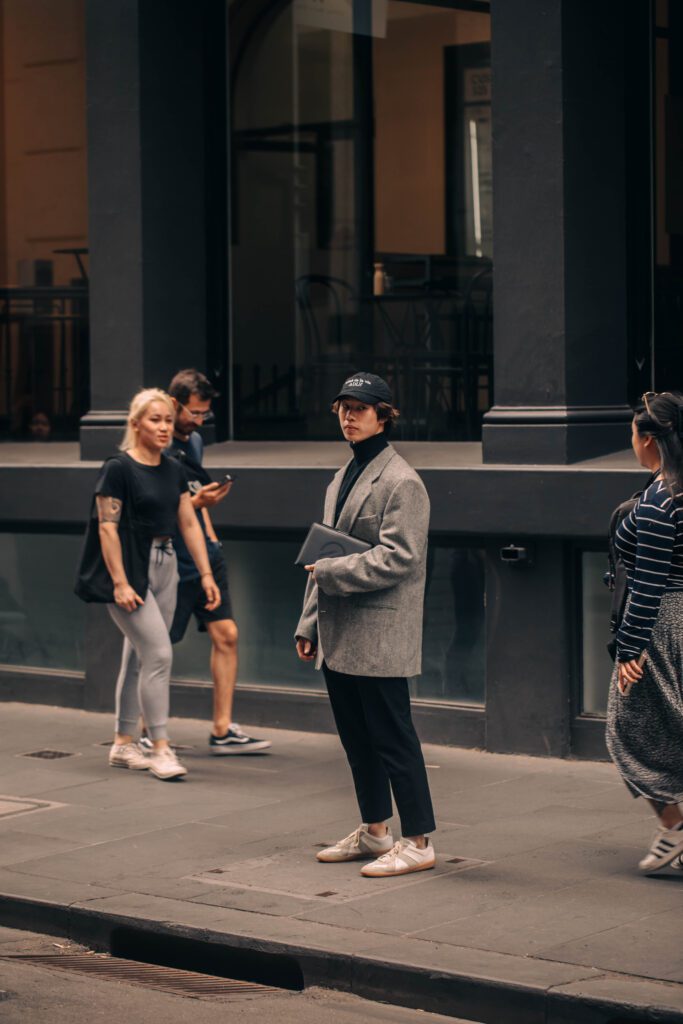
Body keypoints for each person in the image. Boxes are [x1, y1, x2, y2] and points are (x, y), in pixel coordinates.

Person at [295, 372, 436, 878]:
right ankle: (376, 832)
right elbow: (324, 547)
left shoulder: (403, 482)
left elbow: (401, 558)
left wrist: (330, 574)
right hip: (339, 632)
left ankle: (418, 841)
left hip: (379, 634)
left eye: (360, 408)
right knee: (357, 741)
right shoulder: (341, 476)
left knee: (394, 739)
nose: (349, 416)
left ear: (384, 414)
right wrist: (308, 623)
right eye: (343, 408)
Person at [93, 388, 220, 780]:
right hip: (131, 567)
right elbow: (107, 528)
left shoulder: (173, 469)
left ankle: (122, 743)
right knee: (159, 654)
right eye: (155, 420)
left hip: (166, 565)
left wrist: (206, 574)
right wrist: (119, 582)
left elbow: (188, 523)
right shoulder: (118, 468)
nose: (164, 427)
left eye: (168, 420)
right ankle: (160, 747)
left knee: (141, 655)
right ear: (135, 424)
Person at [164, 369, 271, 754]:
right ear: (174, 404)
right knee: (159, 647)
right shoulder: (157, 443)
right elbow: (161, 506)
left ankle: (222, 730)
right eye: (194, 413)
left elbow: (193, 492)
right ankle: (144, 731)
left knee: (226, 633)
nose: (198, 421)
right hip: (171, 557)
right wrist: (198, 505)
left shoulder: (193, 442)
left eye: (205, 414)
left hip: (204, 551)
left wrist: (210, 535)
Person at [606, 390, 683, 874]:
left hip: (661, 624)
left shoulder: (660, 502)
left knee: (626, 733)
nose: (631, 443)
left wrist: (630, 649)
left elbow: (649, 585)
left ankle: (674, 828)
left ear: (649, 439)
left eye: (633, 435)